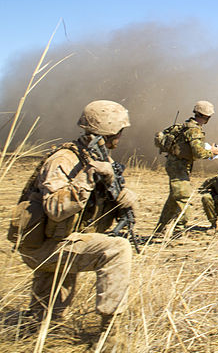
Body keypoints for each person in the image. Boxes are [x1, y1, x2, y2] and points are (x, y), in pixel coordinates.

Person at [14, 100, 137, 340]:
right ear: (107, 132)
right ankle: (109, 335)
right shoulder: (64, 160)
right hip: (46, 247)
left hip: (62, 241)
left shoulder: (99, 158)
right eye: (119, 132)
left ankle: (37, 327)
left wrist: (124, 196)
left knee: (46, 325)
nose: (120, 137)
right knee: (117, 249)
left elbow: (109, 193)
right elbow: (56, 209)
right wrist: (87, 178)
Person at [154, 100, 218, 234]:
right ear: (207, 117)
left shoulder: (185, 125)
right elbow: (198, 152)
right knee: (185, 199)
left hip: (175, 165)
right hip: (179, 167)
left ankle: (159, 230)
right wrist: (211, 152)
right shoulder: (194, 130)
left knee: (174, 199)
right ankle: (178, 232)